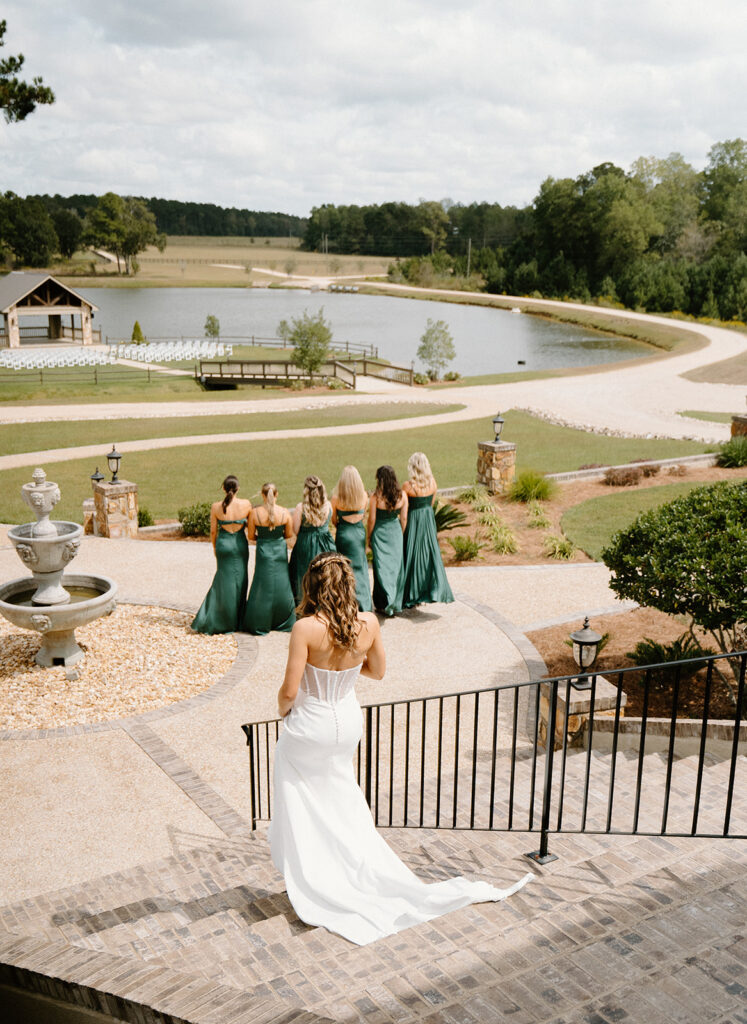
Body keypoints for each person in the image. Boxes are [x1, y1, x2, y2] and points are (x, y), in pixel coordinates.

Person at [269, 552, 532, 946]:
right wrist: (348, 668)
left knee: (300, 792)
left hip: (311, 724)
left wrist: (284, 711)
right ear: (349, 584)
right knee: (340, 794)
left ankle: (317, 872)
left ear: (312, 585)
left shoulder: (305, 628)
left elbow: (290, 691)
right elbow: (377, 671)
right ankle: (347, 865)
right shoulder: (368, 623)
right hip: (346, 723)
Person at [191, 475, 251, 634]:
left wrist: (214, 547)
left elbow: (213, 532)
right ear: (238, 488)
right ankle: (238, 619)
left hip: (223, 544)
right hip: (240, 544)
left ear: (223, 489)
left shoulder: (216, 507)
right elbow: (251, 528)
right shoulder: (246, 504)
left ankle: (218, 617)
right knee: (241, 580)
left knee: (222, 582)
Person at [402, 452, 454, 608]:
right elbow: (431, 504)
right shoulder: (432, 483)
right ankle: (427, 592)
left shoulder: (408, 486)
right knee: (428, 556)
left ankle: (412, 594)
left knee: (412, 555)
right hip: (428, 521)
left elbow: (404, 509)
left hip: (414, 521)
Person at [243, 483, 295, 635]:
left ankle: (259, 619)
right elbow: (289, 534)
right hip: (279, 551)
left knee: (261, 583)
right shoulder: (284, 512)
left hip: (263, 551)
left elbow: (251, 536)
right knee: (282, 583)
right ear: (276, 494)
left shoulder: (255, 513)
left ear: (262, 495)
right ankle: (283, 619)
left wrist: (263, 538)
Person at [288, 475, 335, 605]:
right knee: (325, 573)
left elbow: (295, 530)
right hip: (325, 542)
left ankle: (304, 604)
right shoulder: (328, 506)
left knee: (303, 574)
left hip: (306, 542)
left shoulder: (301, 507)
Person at [367, 465, 407, 617]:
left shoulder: (376, 497)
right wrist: (400, 534)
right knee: (396, 568)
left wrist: (369, 537)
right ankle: (395, 602)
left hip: (380, 533)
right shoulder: (402, 495)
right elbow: (404, 518)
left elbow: (371, 520)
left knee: (380, 567)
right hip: (395, 531)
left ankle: (382, 603)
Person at [331, 465, 372, 612]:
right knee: (361, 567)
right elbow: (364, 515)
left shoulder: (336, 499)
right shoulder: (364, 496)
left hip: (344, 533)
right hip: (359, 533)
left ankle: (345, 602)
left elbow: (334, 520)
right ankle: (364, 603)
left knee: (344, 568)